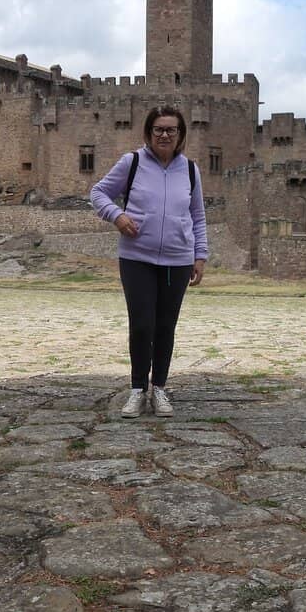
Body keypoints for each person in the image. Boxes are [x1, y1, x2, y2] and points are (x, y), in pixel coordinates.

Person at [90, 105, 207, 418]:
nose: (164, 135)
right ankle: (138, 389)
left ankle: (160, 389)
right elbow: (98, 193)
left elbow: (197, 216)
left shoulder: (191, 170)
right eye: (159, 129)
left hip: (178, 260)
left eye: (171, 129)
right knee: (142, 325)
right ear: (149, 132)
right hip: (136, 257)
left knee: (166, 327)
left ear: (180, 134)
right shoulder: (132, 162)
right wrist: (117, 216)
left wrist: (200, 255)